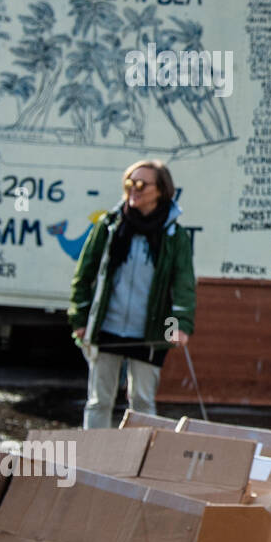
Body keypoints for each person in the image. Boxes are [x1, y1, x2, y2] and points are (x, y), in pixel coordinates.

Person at [68, 160, 195, 429]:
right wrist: (80, 319)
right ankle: (93, 461)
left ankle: (138, 464)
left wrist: (177, 327)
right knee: (99, 401)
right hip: (107, 326)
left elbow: (181, 286)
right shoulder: (110, 226)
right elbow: (85, 273)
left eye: (140, 184)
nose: (132, 190)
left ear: (161, 190)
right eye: (129, 183)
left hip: (148, 332)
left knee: (142, 402)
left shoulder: (174, 235)